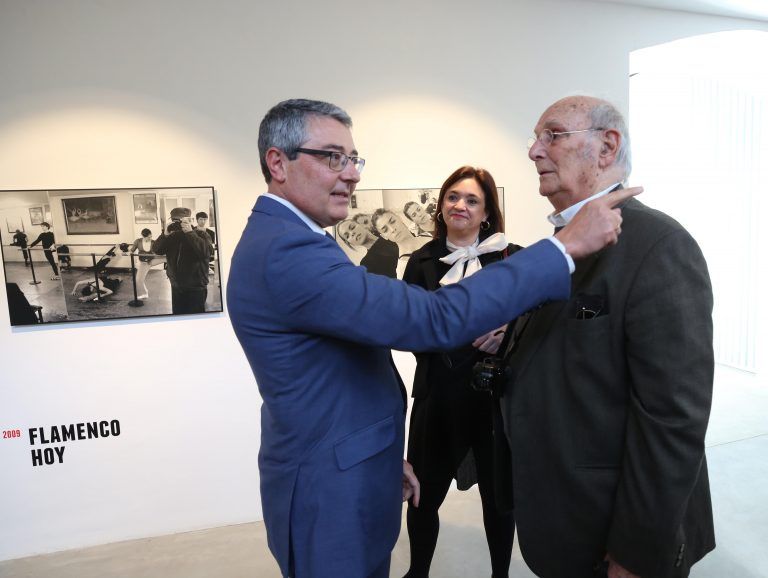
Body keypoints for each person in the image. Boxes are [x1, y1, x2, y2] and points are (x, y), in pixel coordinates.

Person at [227, 98, 637, 578]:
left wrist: (378, 456)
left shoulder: (297, 240)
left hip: (349, 465)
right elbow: (433, 319)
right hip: (328, 490)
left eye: (353, 159)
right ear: (278, 162)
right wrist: (562, 248)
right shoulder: (287, 252)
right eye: (333, 157)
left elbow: (335, 374)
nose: (352, 174)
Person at [498, 95, 714, 578]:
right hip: (565, 518)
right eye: (535, 138)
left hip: (612, 533)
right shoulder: (560, 246)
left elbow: (672, 418)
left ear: (606, 147)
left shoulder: (658, 246)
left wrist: (636, 555)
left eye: (551, 135)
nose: (534, 150)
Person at [402, 166, 520, 578]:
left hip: (493, 399)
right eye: (453, 196)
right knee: (422, 495)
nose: (460, 205)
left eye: (472, 200)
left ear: (486, 212)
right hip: (438, 395)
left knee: (498, 497)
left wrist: (508, 330)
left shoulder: (511, 256)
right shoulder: (421, 261)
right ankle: (418, 572)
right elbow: (410, 328)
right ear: (441, 205)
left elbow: (537, 324)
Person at [153, 207, 212, 314]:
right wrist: (165, 234)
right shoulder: (172, 236)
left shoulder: (201, 234)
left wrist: (190, 233)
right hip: (176, 285)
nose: (177, 224)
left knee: (196, 318)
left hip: (195, 287)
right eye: (175, 221)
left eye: (180, 221)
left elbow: (206, 253)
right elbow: (157, 250)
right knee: (178, 316)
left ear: (189, 220)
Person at [371, 208, 428, 277]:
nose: (392, 229)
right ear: (384, 236)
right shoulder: (403, 268)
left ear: (400, 218)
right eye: (385, 230)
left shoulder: (428, 235)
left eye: (392, 221)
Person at [126, 228, 164, 300]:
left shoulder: (153, 242)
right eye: (148, 237)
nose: (150, 238)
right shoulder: (138, 241)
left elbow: (159, 250)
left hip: (152, 259)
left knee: (168, 258)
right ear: (143, 236)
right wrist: (128, 252)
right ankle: (145, 293)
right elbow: (132, 250)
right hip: (144, 263)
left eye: (151, 236)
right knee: (138, 280)